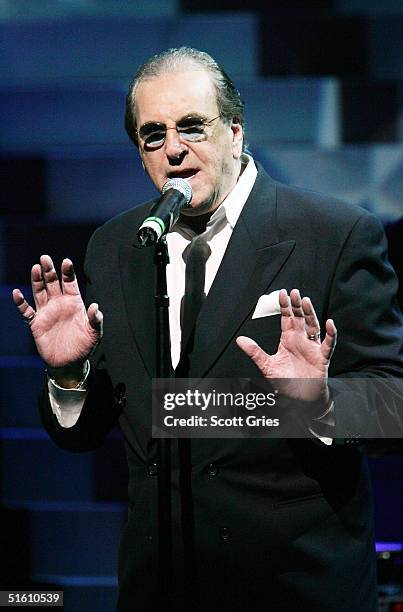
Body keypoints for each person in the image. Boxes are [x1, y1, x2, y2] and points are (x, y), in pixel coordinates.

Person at [12, 47, 403, 611]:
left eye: (193, 126)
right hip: (158, 590)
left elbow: (392, 402)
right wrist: (70, 373)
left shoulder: (335, 234)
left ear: (236, 131)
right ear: (140, 155)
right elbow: (90, 429)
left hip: (293, 590)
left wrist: (317, 401)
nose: (174, 148)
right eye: (153, 134)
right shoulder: (117, 247)